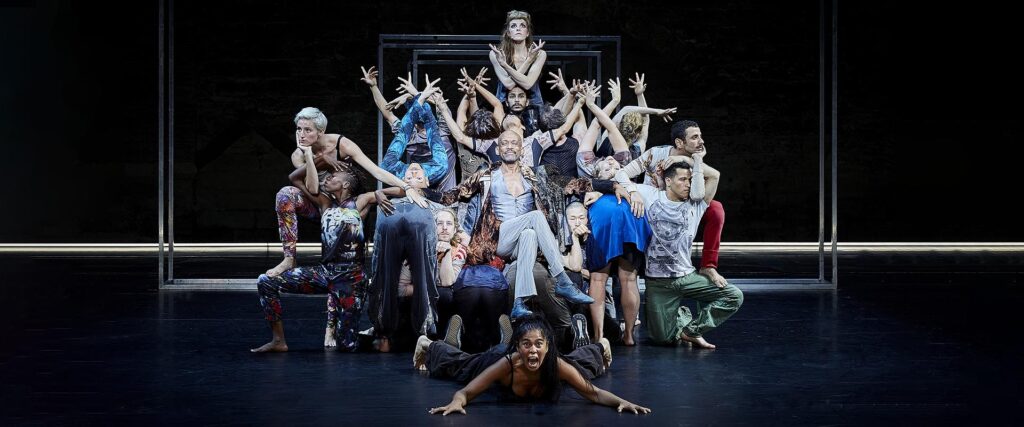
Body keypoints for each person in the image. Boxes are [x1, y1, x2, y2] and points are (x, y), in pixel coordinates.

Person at [267, 107, 427, 277]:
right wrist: (312, 158)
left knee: (358, 213)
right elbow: (312, 189)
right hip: (320, 203)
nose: (301, 134)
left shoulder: (341, 144)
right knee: (285, 194)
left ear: (321, 132)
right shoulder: (297, 155)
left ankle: (357, 270)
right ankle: (289, 258)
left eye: (308, 130)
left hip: (346, 204)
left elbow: (376, 171)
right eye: (299, 129)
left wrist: (408, 187)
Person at [252, 152, 380, 353]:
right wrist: (314, 158)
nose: (328, 178)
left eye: (334, 176)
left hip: (350, 277)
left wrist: (382, 195)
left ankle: (372, 336)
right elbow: (295, 178)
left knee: (347, 345)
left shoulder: (360, 202)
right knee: (265, 281)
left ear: (345, 185)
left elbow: (395, 191)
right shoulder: (324, 203)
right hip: (324, 273)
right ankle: (278, 340)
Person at [417, 315, 649, 416]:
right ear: (518, 347)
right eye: (526, 344)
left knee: (580, 368)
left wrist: (622, 401)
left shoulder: (555, 362)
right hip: (497, 357)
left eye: (539, 344)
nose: (533, 350)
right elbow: (465, 392)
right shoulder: (508, 363)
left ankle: (599, 347)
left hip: (554, 361)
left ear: (548, 346)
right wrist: (456, 403)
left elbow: (595, 394)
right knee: (463, 366)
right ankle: (428, 344)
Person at [631, 154, 743, 349]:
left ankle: (691, 331)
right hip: (659, 283)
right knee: (662, 340)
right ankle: (680, 314)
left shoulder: (696, 205)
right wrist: (620, 192)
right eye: (682, 179)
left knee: (734, 296)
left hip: (687, 277)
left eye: (690, 180)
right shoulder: (650, 195)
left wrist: (693, 161)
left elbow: (714, 175)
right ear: (668, 181)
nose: (688, 184)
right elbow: (618, 182)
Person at [614, 120, 729, 287]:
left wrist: (689, 160)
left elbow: (698, 195)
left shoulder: (696, 159)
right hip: (653, 207)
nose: (701, 142)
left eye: (700, 137)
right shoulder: (656, 154)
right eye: (695, 137)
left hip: (683, 209)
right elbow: (622, 173)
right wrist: (632, 191)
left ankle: (708, 266)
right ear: (679, 142)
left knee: (716, 209)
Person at [489, 10, 546, 107]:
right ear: (508, 33)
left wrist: (529, 60)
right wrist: (528, 61)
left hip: (533, 104)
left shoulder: (540, 54)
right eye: (514, 26)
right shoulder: (496, 54)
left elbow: (528, 84)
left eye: (522, 26)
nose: (518, 29)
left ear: (527, 32)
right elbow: (509, 84)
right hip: (505, 104)